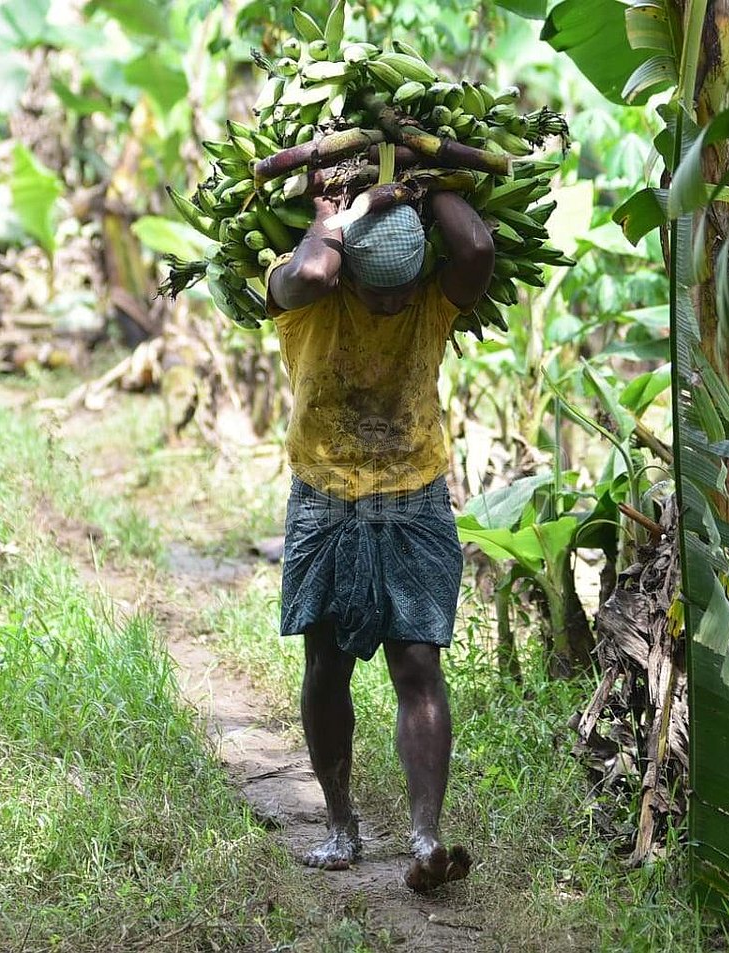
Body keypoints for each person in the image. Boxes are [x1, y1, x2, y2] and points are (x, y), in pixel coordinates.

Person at [265, 188, 495, 892]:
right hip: (325, 497)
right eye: (378, 290)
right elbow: (306, 274)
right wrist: (335, 215)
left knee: (418, 666)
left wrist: (425, 181)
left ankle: (425, 837)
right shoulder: (304, 291)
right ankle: (340, 825)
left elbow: (479, 248)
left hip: (413, 495)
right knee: (327, 664)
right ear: (349, 269)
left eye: (404, 288)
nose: (395, 305)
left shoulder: (429, 297)